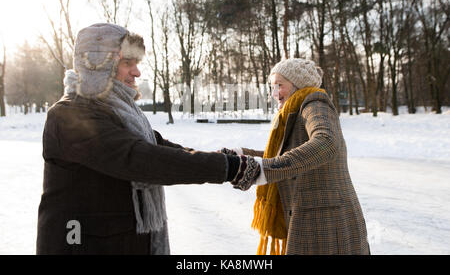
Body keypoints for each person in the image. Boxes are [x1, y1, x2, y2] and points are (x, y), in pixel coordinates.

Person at [36, 23, 262, 255]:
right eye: (127, 63)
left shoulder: (121, 110)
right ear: (98, 66)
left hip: (122, 241)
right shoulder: (69, 114)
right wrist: (227, 168)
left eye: (136, 63)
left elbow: (156, 145)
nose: (137, 72)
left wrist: (221, 158)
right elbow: (139, 158)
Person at [221, 58, 370, 255]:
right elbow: (282, 154)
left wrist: (264, 169)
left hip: (327, 223)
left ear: (297, 84)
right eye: (272, 87)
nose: (274, 94)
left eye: (279, 86)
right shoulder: (293, 112)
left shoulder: (315, 103)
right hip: (312, 220)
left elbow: (327, 143)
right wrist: (243, 155)